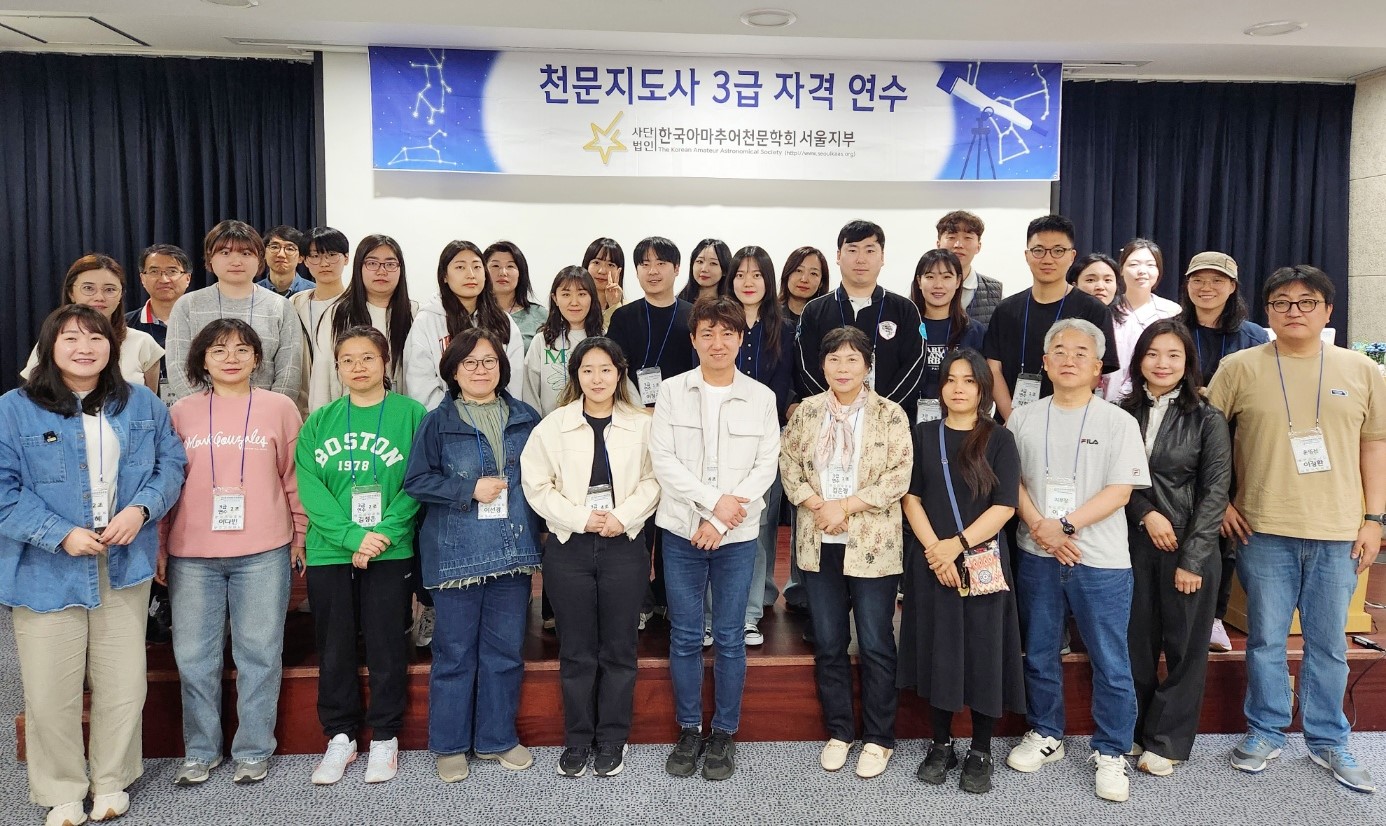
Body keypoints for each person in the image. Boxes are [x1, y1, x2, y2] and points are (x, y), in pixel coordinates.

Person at [0, 304, 185, 826]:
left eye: (96, 338)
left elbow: (171, 463)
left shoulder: (141, 403)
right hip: (44, 567)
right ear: (49, 347)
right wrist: (59, 533)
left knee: (124, 683)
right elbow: (3, 489)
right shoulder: (14, 408)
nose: (85, 348)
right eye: (71, 338)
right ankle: (61, 789)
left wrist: (141, 509)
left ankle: (111, 780)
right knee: (49, 690)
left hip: (123, 559)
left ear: (113, 346)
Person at [1209, 265, 1384, 794]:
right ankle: (1265, 730)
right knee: (1265, 639)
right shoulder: (1238, 367)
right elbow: (1206, 440)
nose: (1294, 311)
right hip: (1263, 527)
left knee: (1329, 643)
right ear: (1267, 311)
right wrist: (1220, 503)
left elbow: (1375, 446)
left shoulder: (1362, 370)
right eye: (1282, 302)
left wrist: (1375, 519)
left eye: (1307, 302)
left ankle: (1329, 739)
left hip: (1339, 530)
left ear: (1328, 310)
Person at [1004, 318, 1149, 803]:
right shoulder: (1022, 418)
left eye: (1081, 352)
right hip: (1037, 554)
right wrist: (1042, 528)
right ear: (1045, 363)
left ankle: (1111, 750)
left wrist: (1063, 526)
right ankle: (1047, 732)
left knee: (1111, 659)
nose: (1069, 359)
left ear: (1098, 366)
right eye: (1060, 351)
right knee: (1040, 650)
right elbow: (1011, 483)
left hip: (1100, 560)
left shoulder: (1118, 421)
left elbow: (1121, 491)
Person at [158, 319, 307, 787]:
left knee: (259, 653)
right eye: (219, 350)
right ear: (202, 359)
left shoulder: (279, 408)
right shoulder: (180, 412)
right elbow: (166, 483)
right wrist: (160, 543)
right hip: (192, 553)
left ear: (257, 359)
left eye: (242, 349)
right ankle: (201, 751)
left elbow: (294, 478)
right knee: (193, 657)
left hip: (263, 550)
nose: (231, 358)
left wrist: (300, 534)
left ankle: (253, 749)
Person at [403, 327, 542, 783]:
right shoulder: (436, 422)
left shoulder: (526, 417)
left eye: (489, 361)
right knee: (455, 654)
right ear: (453, 371)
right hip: (455, 556)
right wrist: (467, 489)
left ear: (502, 367)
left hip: (514, 551)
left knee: (505, 653)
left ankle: (496, 738)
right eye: (470, 363)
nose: (481, 370)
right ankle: (449, 744)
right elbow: (417, 482)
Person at [650, 297, 780, 782]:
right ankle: (689, 729)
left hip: (738, 534)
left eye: (727, 333)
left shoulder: (761, 397)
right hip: (682, 529)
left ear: (741, 339)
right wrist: (711, 505)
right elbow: (663, 461)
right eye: (707, 333)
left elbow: (765, 467)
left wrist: (722, 521)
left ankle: (724, 732)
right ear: (694, 339)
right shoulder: (671, 391)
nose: (717, 342)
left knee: (729, 636)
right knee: (685, 635)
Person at [519, 336, 660, 778]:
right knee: (576, 649)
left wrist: (621, 516)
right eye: (587, 370)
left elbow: (655, 480)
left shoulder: (642, 425)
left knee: (619, 647)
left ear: (619, 374)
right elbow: (536, 485)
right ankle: (578, 738)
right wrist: (582, 518)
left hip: (624, 543)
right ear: (575, 376)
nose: (597, 379)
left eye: (605, 369)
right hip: (570, 547)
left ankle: (613, 738)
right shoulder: (553, 426)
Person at [295, 326, 425, 786]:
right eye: (347, 359)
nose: (358, 367)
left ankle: (385, 734)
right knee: (334, 645)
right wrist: (353, 537)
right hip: (330, 550)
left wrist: (382, 534)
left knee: (387, 642)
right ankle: (341, 735)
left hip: (390, 548)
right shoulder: (320, 420)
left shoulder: (412, 414)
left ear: (385, 362)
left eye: (368, 357)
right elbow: (310, 487)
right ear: (336, 367)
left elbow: (419, 479)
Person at [780, 325, 912, 780]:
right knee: (829, 642)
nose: (842, 367)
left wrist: (846, 507)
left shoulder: (890, 414)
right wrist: (820, 505)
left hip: (871, 545)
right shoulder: (807, 412)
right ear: (822, 365)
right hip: (820, 542)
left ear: (867, 365)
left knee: (875, 642)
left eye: (852, 359)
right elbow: (789, 464)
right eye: (834, 359)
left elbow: (898, 476)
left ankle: (879, 737)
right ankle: (840, 731)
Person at [898, 348, 1024, 794]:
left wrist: (957, 546)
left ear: (983, 389)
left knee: (985, 652)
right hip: (933, 562)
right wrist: (937, 552)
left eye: (969, 380)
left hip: (982, 562)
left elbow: (1005, 506)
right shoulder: (923, 434)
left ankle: (981, 748)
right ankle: (941, 743)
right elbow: (911, 497)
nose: (958, 388)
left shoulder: (1000, 439)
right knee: (940, 649)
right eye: (951, 379)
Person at [1118, 319, 1231, 777]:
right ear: (1138, 360)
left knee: (1185, 648)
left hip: (1189, 546)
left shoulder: (1207, 418)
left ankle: (1169, 740)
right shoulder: (1121, 412)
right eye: (1152, 354)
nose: (1162, 363)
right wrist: (1146, 512)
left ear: (1188, 363)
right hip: (1133, 542)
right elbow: (1113, 478)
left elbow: (1216, 492)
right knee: (1136, 642)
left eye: (1173, 355)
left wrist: (1193, 558)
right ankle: (1136, 728)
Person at [1177, 251, 1269, 652]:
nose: (1206, 288)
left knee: (1226, 532)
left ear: (1232, 287)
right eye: (1198, 280)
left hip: (1237, 447)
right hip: (1183, 444)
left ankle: (1215, 615)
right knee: (1185, 526)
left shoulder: (1254, 336)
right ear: (1187, 285)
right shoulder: (1172, 329)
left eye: (1217, 281)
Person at [724, 246, 795, 645]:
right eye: (740, 275)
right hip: (720, 442)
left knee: (760, 526)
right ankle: (722, 609)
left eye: (756, 275)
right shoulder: (720, 324)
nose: (747, 282)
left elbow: (782, 386)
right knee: (723, 522)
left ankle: (753, 606)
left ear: (768, 280)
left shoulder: (783, 328)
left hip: (766, 441)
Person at [982, 214, 1119, 421]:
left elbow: (1093, 374)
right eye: (1038, 250)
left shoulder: (1094, 310)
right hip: (1010, 424)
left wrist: (1055, 421)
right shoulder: (1005, 310)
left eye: (1058, 251)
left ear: (1072, 256)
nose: (1047, 259)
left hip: (1070, 421)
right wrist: (1013, 420)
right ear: (1027, 255)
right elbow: (993, 369)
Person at [164, 220, 304, 403]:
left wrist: (272, 408)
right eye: (225, 252)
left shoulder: (281, 306)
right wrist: (206, 408)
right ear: (210, 257)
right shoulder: (187, 305)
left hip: (266, 413)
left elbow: (290, 370)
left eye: (246, 253)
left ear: (260, 258)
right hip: (202, 414)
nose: (236, 261)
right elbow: (178, 367)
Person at [796, 219, 924, 408]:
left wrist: (882, 411)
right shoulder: (814, 310)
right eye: (852, 250)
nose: (861, 259)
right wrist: (837, 408)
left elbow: (914, 366)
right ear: (838, 255)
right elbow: (806, 367)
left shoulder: (905, 310)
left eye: (870, 251)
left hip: (888, 418)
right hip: (829, 416)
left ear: (882, 257)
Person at [403, 239, 523, 411]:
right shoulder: (427, 320)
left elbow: (514, 381)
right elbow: (420, 383)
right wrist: (454, 417)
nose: (471, 274)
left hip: (497, 416)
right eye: (460, 267)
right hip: (444, 419)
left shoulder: (503, 321)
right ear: (444, 276)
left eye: (477, 266)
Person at [22, 255, 164, 395]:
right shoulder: (53, 340)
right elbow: (33, 397)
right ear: (71, 293)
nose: (99, 297)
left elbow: (148, 403)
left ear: (121, 295)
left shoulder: (142, 342)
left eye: (110, 289)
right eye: (88, 288)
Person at [308, 234, 417, 410]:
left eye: (390, 264)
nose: (381, 271)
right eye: (372, 263)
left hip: (402, 415)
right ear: (359, 267)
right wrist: (322, 419)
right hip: (349, 415)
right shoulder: (337, 314)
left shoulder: (415, 314)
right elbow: (321, 378)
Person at [606, 236, 697, 409]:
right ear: (636, 271)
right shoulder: (623, 317)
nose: (652, 271)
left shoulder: (695, 316)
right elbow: (612, 368)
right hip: (633, 412)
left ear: (677, 269)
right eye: (645, 264)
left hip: (683, 410)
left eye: (661, 263)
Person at [908, 249, 986, 425]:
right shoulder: (906, 328)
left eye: (946, 277)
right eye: (930, 277)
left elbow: (982, 384)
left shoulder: (973, 331)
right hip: (908, 424)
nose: (938, 285)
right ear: (919, 281)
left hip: (960, 424)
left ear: (958, 281)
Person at [1103, 239, 1181, 401]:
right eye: (1134, 264)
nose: (1142, 271)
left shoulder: (1172, 311)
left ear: (1158, 271)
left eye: (1150, 265)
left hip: (1153, 399)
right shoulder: (1106, 310)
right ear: (1121, 270)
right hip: (1107, 398)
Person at [524, 267, 605, 417]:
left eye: (582, 294)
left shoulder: (604, 340)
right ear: (555, 298)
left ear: (592, 298)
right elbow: (530, 393)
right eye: (566, 294)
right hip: (549, 426)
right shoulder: (542, 341)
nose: (574, 302)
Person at [127, 243, 194, 405]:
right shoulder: (125, 326)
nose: (164, 279)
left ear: (187, 278)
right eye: (154, 271)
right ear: (142, 278)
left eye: (172, 271)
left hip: (199, 409)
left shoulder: (206, 322)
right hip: (142, 409)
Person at [290, 227, 351, 361]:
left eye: (332, 255)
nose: (324, 263)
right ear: (305, 261)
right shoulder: (296, 302)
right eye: (315, 256)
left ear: (346, 258)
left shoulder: (357, 302)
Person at [936, 210, 1004, 328]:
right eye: (951, 237)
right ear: (938, 245)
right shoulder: (923, 287)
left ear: (978, 246)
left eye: (967, 238)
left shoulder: (995, 292)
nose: (958, 245)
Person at [485, 240, 546, 351]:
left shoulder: (540, 315)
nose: (503, 272)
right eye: (495, 265)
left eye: (510, 266)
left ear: (520, 273)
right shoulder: (474, 314)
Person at [778, 245, 830, 326]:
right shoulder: (768, 314)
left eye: (813, 273)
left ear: (821, 282)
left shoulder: (829, 319)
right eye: (798, 270)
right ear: (787, 274)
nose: (804, 279)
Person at [256, 225, 314, 297]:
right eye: (274, 247)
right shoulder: (253, 293)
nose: (281, 254)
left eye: (290, 249)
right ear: (264, 253)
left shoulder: (313, 293)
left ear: (301, 257)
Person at [582, 237, 626, 327]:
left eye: (610, 265)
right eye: (596, 263)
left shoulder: (629, 310)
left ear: (619, 271)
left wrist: (614, 306)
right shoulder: (575, 306)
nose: (602, 271)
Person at [678, 238, 731, 303]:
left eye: (713, 263)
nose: (704, 269)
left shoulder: (730, 306)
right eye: (700, 261)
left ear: (724, 270)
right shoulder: (679, 302)